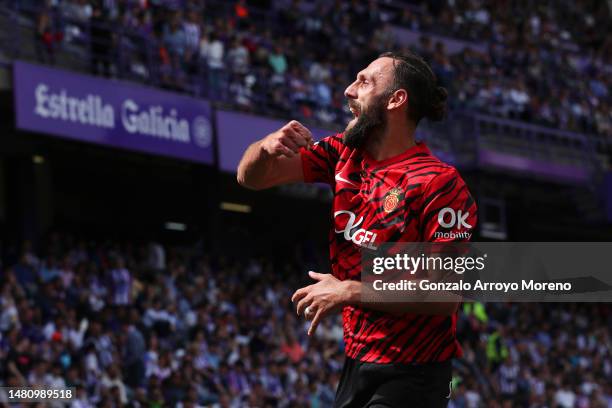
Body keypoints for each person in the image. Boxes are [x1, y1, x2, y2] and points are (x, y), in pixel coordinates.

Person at [237, 51, 477, 407]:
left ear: (396, 100)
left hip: (415, 372)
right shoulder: (342, 153)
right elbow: (250, 178)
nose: (349, 90)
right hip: (356, 362)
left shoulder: (438, 182)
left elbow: (445, 295)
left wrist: (350, 290)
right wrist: (266, 148)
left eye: (364, 81)